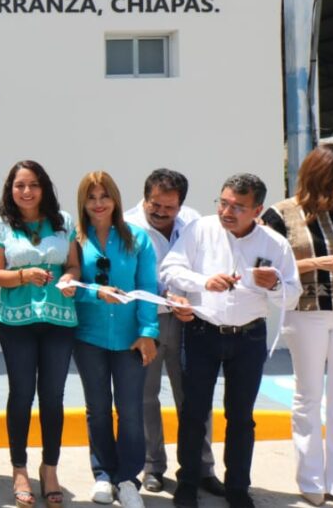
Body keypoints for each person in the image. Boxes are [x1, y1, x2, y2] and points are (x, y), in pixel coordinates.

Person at [161, 173, 301, 508]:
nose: (228, 211)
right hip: (202, 332)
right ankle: (188, 484)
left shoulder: (274, 244)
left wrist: (275, 286)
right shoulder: (200, 229)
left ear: (258, 210)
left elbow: (292, 297)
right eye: (223, 202)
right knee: (194, 412)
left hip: (248, 338)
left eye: (239, 206)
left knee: (241, 417)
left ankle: (238, 488)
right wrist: (203, 281)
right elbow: (169, 269)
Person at [260, 144, 333, 506]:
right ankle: (311, 480)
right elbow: (264, 265)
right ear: (324, 174)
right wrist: (317, 262)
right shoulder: (280, 214)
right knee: (308, 397)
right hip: (307, 311)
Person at [0, 159, 80, 508]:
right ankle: (20, 469)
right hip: (15, 321)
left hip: (58, 319)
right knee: (21, 395)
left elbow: (72, 264)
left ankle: (50, 469)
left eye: (33, 184)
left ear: (44, 188)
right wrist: (24, 275)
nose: (26, 191)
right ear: (11, 189)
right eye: (19, 185)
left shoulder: (64, 221)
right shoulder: (0, 225)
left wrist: (69, 277)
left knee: (52, 397)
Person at [124, 169, 223, 496]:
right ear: (145, 197)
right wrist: (167, 295)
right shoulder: (127, 226)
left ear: (181, 204)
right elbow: (131, 278)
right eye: (155, 204)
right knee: (145, 397)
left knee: (194, 398)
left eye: (169, 207)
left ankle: (201, 468)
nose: (161, 212)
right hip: (145, 322)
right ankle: (153, 467)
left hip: (188, 321)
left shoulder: (194, 222)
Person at [71, 171, 158, 508]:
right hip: (89, 337)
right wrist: (96, 293)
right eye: (91, 197)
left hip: (130, 340)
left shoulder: (137, 239)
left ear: (115, 199)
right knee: (98, 410)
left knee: (130, 410)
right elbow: (72, 288)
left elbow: (149, 288)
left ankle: (128, 478)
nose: (98, 203)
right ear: (83, 203)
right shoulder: (76, 240)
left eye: (104, 196)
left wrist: (148, 332)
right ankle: (104, 475)